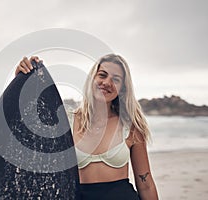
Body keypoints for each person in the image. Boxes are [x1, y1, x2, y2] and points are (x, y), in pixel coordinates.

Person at [15, 54, 159, 200]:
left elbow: (146, 185)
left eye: (115, 80)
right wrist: (21, 79)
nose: (107, 82)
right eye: (102, 75)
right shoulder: (66, 122)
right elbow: (27, 123)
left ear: (122, 89)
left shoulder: (130, 127)